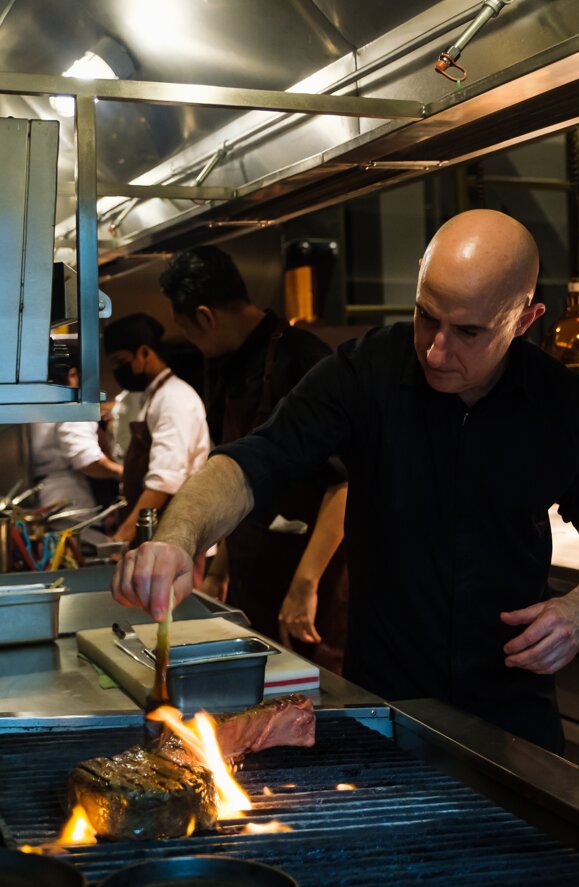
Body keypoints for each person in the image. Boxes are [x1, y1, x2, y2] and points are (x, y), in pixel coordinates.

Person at [112, 210, 579, 753]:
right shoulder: (365, 373)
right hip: (388, 706)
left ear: (525, 320)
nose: (436, 348)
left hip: (514, 712)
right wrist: (178, 538)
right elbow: (251, 463)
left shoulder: (563, 405)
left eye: (468, 332)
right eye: (426, 316)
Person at [157, 246, 348, 667]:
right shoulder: (225, 367)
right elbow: (238, 473)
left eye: (187, 329)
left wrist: (306, 584)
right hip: (253, 575)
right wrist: (223, 565)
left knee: (316, 701)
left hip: (307, 580)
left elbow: (344, 482)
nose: (190, 341)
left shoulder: (305, 361)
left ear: (205, 317)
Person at [102, 312, 211, 547]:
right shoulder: (154, 396)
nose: (119, 372)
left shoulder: (174, 399)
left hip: (180, 537)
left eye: (120, 362)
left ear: (144, 352)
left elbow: (165, 480)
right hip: (163, 535)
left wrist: (122, 537)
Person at [30, 355, 123, 514]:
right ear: (72, 375)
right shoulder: (71, 406)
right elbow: (87, 460)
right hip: (69, 498)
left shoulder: (39, 403)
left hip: (48, 494)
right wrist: (122, 472)